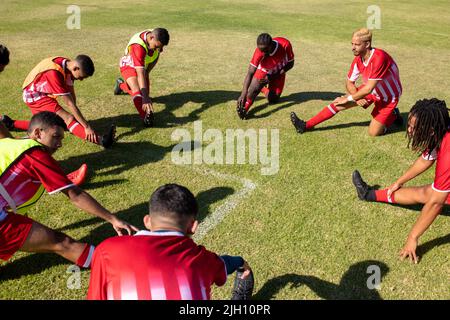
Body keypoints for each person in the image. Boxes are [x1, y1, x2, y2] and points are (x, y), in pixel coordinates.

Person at [0, 112, 138, 268]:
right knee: (62, 243)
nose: (59, 144)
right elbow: (75, 195)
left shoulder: (8, 144)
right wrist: (112, 219)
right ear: (38, 133)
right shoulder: (35, 154)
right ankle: (120, 266)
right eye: (55, 136)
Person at [87, 183, 254, 300]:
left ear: (147, 221)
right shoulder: (202, 260)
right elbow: (223, 264)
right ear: (193, 227)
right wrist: (241, 262)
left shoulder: (107, 250)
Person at [352, 98, 449, 263]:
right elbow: (426, 159)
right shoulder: (441, 129)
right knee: (428, 192)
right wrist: (400, 181)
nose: (409, 130)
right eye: (409, 125)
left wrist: (413, 237)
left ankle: (368, 194)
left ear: (431, 130)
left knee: (432, 196)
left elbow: (435, 203)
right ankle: (368, 194)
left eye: (413, 127)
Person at [290, 28, 403, 136]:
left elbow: (369, 88)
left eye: (357, 45)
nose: (353, 48)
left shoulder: (379, 57)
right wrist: (357, 98)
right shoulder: (358, 59)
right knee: (338, 103)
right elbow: (349, 82)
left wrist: (349, 98)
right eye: (352, 44)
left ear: (367, 44)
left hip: (388, 96)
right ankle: (305, 125)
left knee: (373, 133)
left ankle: (393, 114)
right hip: (370, 91)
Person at [1, 55, 116, 148]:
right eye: (81, 77)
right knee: (66, 119)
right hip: (34, 95)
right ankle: (102, 141)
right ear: (76, 68)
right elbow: (69, 103)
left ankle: (10, 123)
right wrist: (86, 126)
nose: (81, 80)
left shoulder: (66, 65)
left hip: (39, 92)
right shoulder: (54, 73)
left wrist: (77, 120)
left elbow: (71, 96)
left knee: (50, 125)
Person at [114, 28, 170, 127]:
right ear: (151, 38)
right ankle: (146, 118)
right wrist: (145, 98)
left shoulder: (155, 36)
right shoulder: (137, 47)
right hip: (128, 64)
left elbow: (145, 71)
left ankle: (121, 85)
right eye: (157, 46)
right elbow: (140, 73)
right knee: (138, 92)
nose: (160, 50)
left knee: (144, 94)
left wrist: (147, 73)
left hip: (142, 64)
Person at [237, 33, 294, 120]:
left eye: (265, 50)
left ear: (271, 45)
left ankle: (262, 89)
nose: (262, 53)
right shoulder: (259, 51)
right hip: (264, 69)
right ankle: (245, 108)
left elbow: (290, 64)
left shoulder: (285, 44)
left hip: (279, 71)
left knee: (273, 100)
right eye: (261, 50)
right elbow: (250, 73)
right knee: (252, 91)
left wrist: (273, 77)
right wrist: (243, 93)